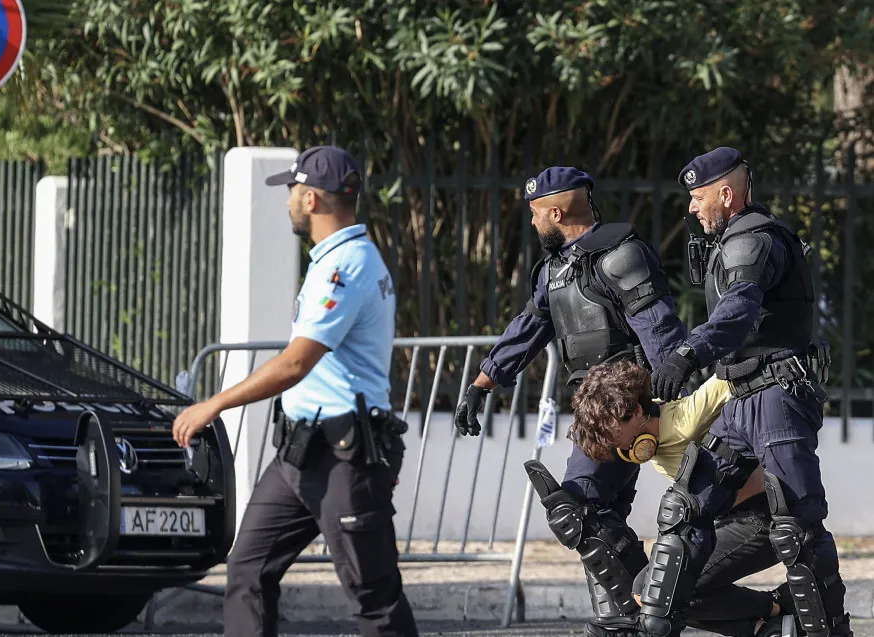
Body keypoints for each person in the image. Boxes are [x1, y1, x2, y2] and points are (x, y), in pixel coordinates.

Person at [171, 145, 418, 637]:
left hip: (345, 460)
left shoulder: (345, 266)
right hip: (299, 455)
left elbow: (296, 362)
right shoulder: (335, 259)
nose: (286, 200)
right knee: (247, 568)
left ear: (311, 199)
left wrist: (214, 404)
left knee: (374, 599)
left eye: (291, 190)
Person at [454, 166, 687, 633]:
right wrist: (481, 384)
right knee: (598, 513)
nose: (533, 223)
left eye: (536, 213)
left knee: (577, 508)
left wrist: (673, 401)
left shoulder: (621, 256)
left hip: (624, 404)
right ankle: (634, 613)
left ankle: (631, 614)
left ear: (556, 211)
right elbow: (527, 330)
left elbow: (658, 329)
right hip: (591, 407)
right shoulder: (554, 270)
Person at [632, 147, 848, 637]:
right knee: (683, 510)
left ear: (725, 194)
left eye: (698, 196)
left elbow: (739, 310)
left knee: (799, 526)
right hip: (737, 398)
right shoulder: (731, 239)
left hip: (776, 397)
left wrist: (687, 354)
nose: (691, 207)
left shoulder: (753, 241)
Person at [567, 360, 795, 637]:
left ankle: (778, 607)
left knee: (660, 593)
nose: (607, 441)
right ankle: (763, 627)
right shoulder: (649, 428)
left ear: (637, 412)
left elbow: (730, 378)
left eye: (609, 429)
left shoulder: (685, 418)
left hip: (761, 520)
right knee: (649, 592)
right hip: (721, 521)